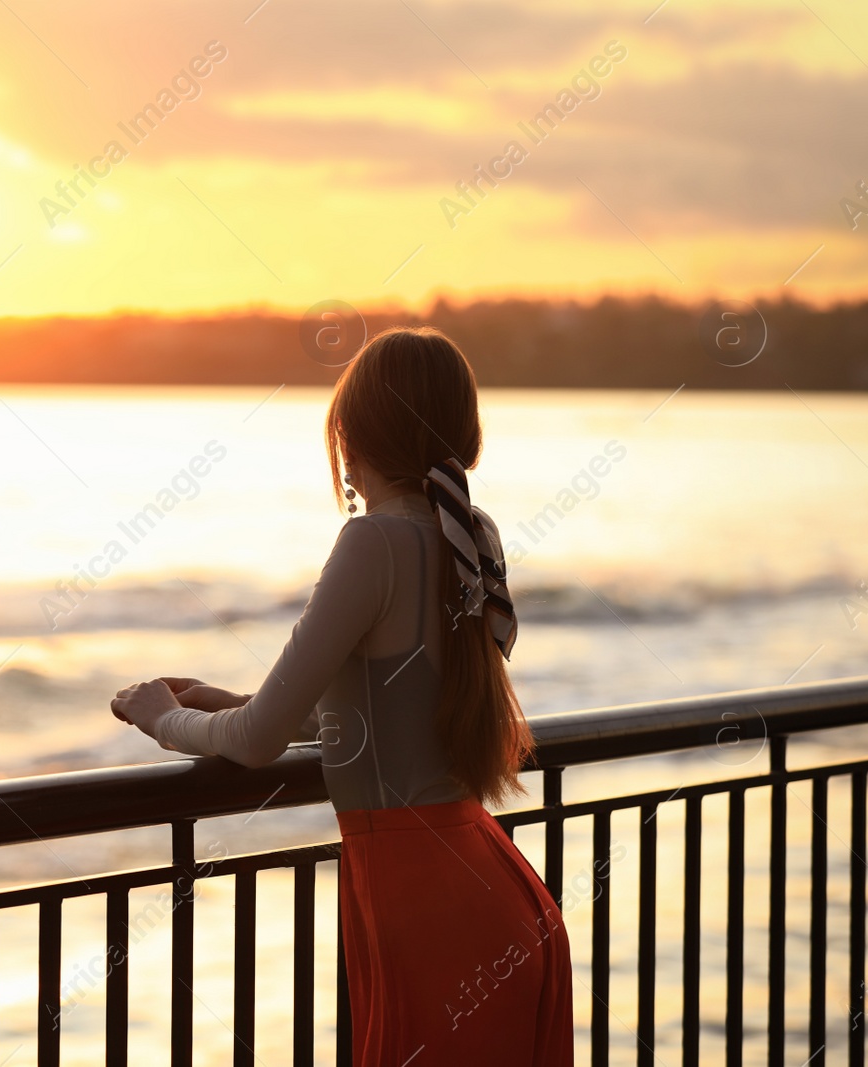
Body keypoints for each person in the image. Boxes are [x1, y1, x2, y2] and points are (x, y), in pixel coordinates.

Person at [110, 326, 574, 1065]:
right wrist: (221, 703)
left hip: (422, 904)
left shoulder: (373, 543)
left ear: (352, 440)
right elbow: (385, 720)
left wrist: (164, 719)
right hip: (489, 886)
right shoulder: (462, 539)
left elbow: (258, 740)